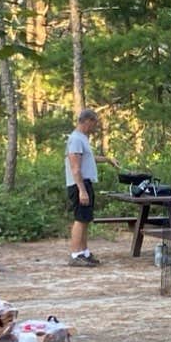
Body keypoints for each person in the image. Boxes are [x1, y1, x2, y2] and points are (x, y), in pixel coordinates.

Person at [64, 109, 104, 266]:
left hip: (86, 183)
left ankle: (84, 252)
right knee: (80, 219)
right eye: (94, 123)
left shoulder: (83, 139)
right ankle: (75, 255)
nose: (95, 127)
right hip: (78, 184)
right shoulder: (75, 139)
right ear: (87, 121)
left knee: (85, 219)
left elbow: (89, 158)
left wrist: (108, 159)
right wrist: (81, 190)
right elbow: (75, 167)